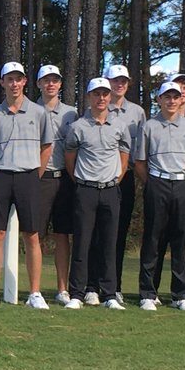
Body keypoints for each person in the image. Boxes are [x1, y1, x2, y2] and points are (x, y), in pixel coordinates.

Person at [0, 62, 54, 310]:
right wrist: (0, 170)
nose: (14, 84)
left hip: (29, 177)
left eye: (18, 79)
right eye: (9, 79)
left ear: (24, 82)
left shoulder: (38, 112)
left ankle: (34, 294)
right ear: (2, 83)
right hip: (0, 177)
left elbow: (47, 147)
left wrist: (34, 173)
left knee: (32, 235)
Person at [60, 77, 130, 310]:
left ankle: (109, 293)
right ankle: (78, 293)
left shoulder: (119, 126)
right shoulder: (78, 127)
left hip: (110, 190)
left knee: (109, 243)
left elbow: (124, 157)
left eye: (105, 94)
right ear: (89, 97)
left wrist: (115, 179)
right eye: (96, 94)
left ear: (110, 97)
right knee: (82, 243)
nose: (101, 98)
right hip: (85, 190)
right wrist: (81, 179)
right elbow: (70, 159)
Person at [135, 80, 185, 311]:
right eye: (167, 97)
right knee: (153, 238)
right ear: (159, 100)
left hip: (183, 185)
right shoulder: (150, 126)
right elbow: (141, 162)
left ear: (181, 99)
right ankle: (147, 292)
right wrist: (154, 182)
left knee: (181, 239)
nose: (172, 100)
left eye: (176, 96)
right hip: (157, 182)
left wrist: (182, 180)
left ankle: (180, 295)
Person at [92, 63, 146, 305]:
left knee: (118, 234)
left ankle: (114, 286)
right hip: (97, 178)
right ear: (107, 82)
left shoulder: (137, 113)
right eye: (115, 80)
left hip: (123, 179)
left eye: (123, 80)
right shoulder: (96, 106)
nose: (119, 84)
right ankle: (92, 285)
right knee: (95, 233)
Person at [34, 65, 78, 306]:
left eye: (55, 80)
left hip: (65, 180)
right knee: (36, 235)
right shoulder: (29, 110)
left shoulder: (72, 114)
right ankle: (36, 289)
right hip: (39, 179)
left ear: (60, 84)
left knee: (63, 235)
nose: (50, 84)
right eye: (46, 80)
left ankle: (62, 289)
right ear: (39, 84)